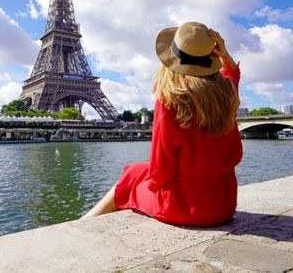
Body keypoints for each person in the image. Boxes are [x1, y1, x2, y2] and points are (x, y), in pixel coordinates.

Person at [82, 21, 242, 226]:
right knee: (135, 172)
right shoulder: (227, 96)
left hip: (182, 207)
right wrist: (226, 57)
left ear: (173, 58)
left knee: (130, 176)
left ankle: (83, 223)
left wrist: (147, 183)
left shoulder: (170, 100)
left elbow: (160, 170)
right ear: (212, 55)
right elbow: (231, 79)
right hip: (224, 205)